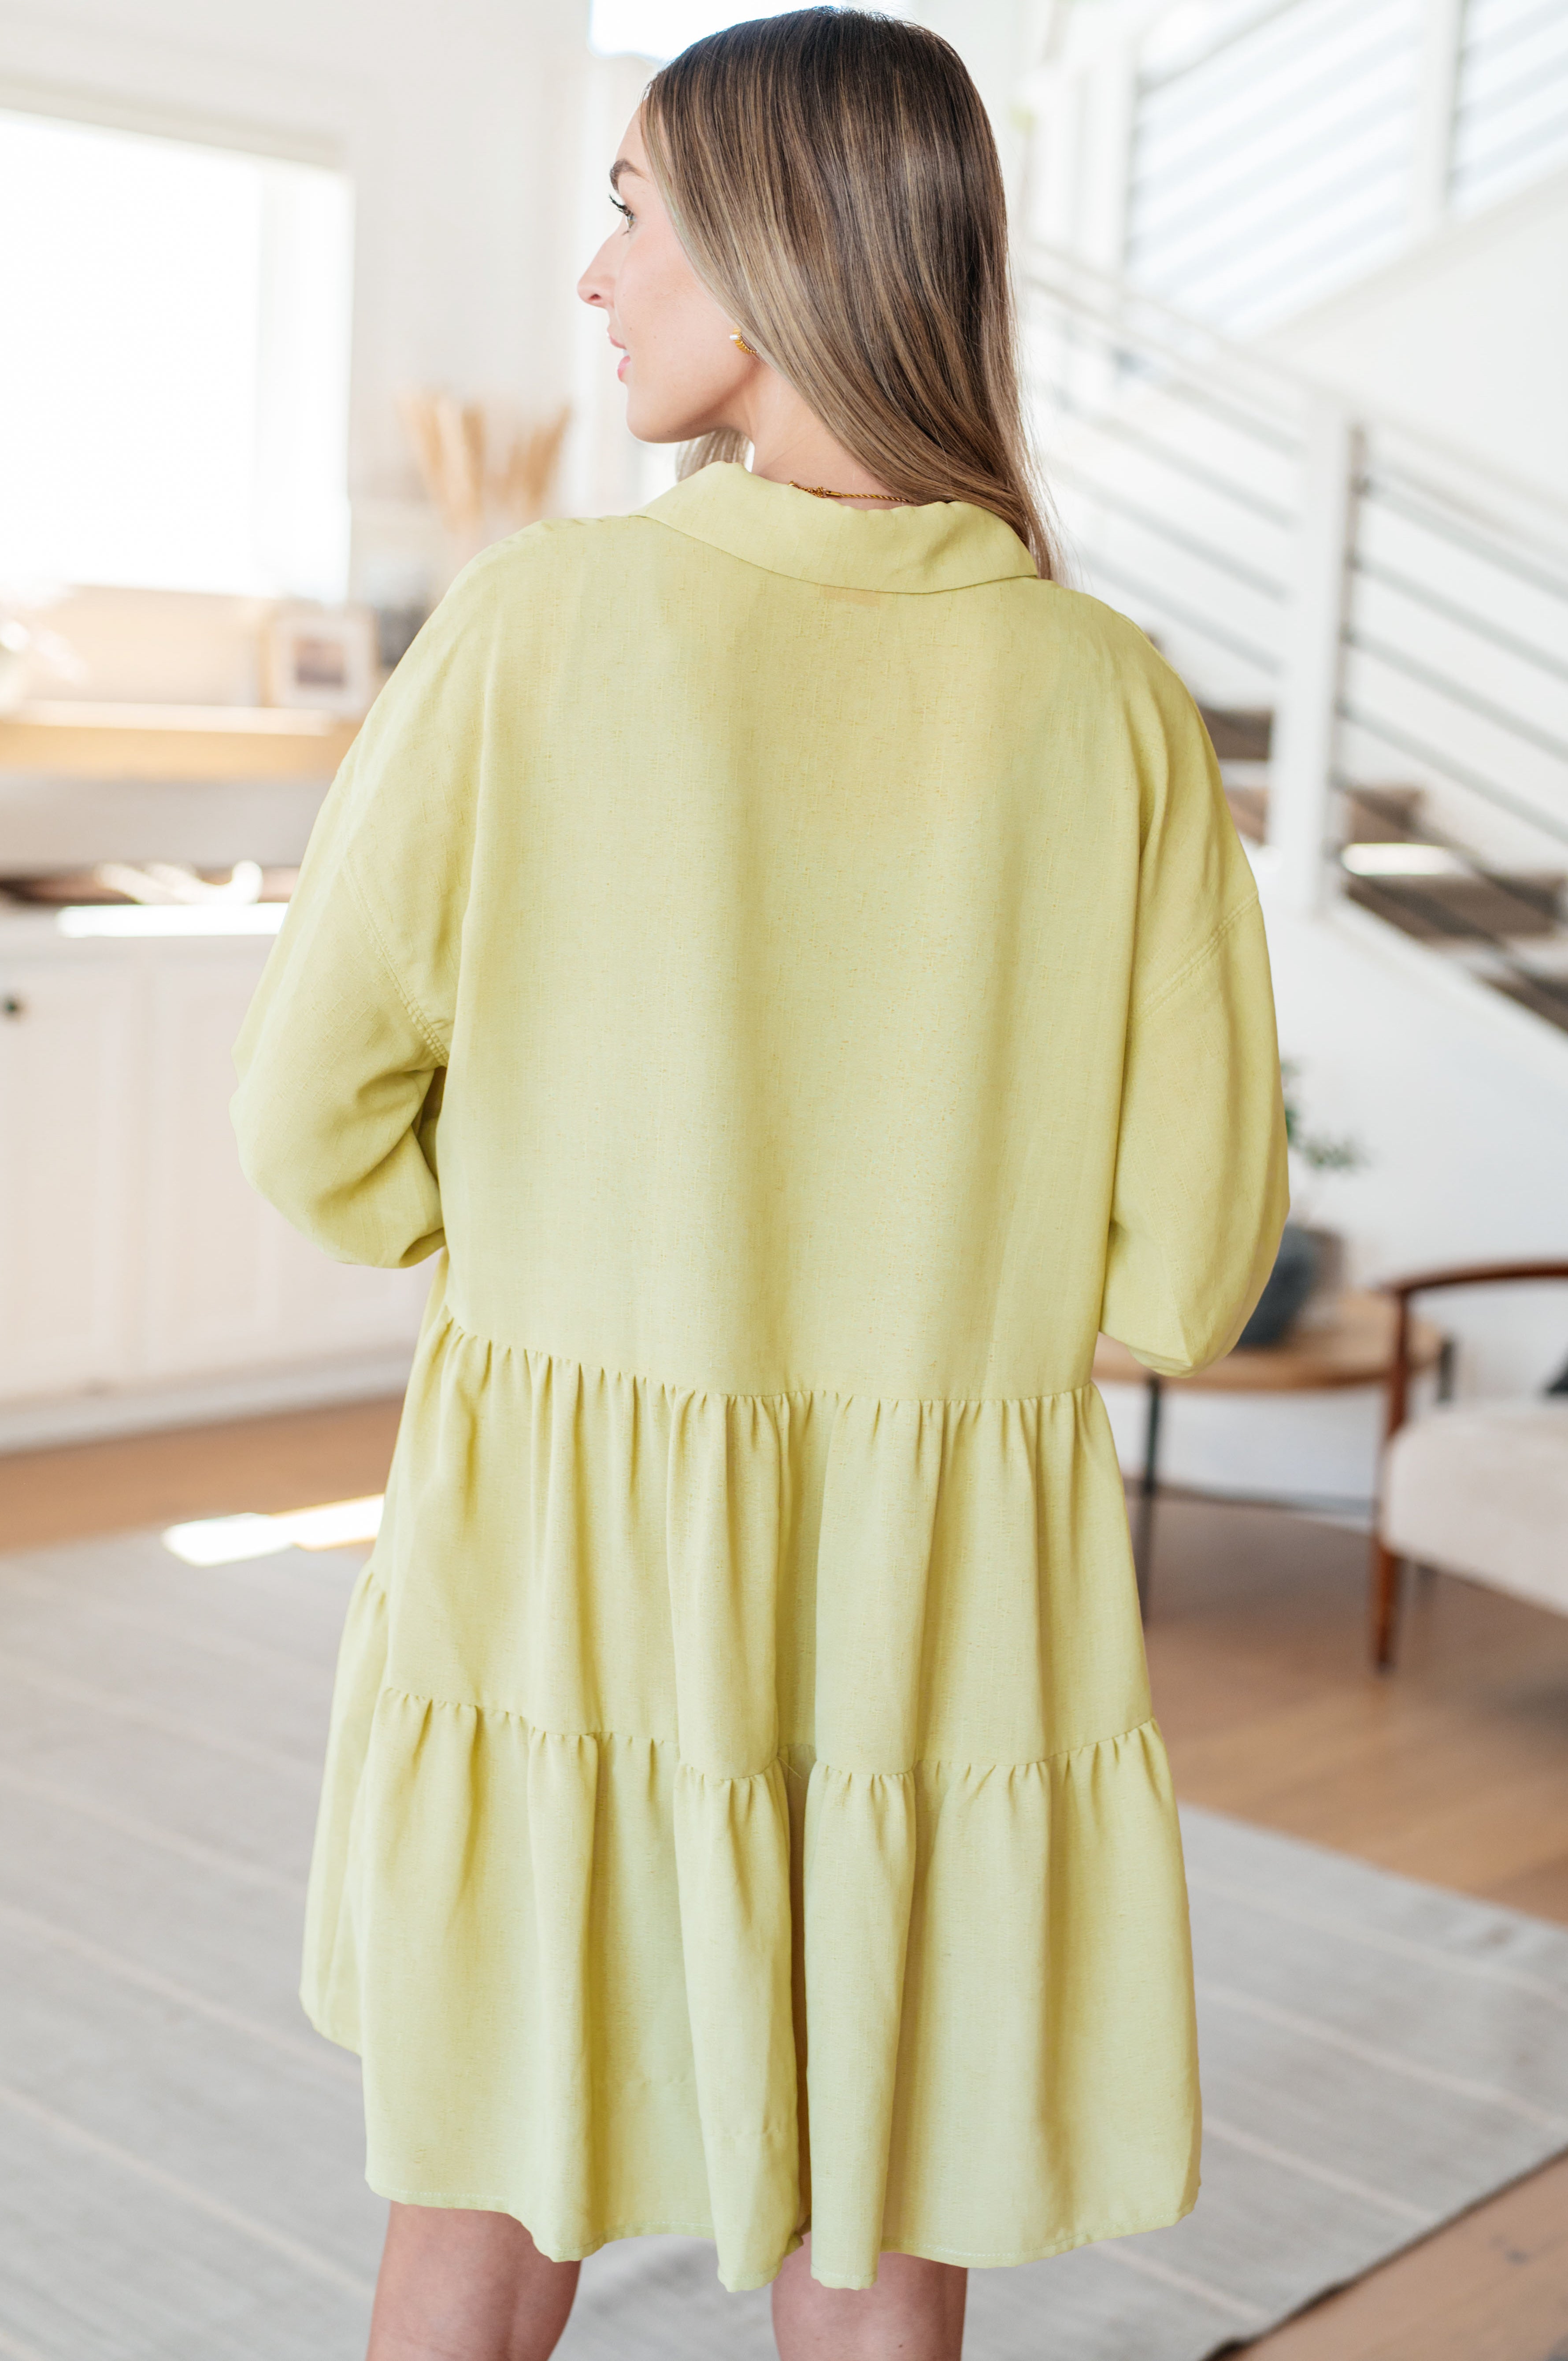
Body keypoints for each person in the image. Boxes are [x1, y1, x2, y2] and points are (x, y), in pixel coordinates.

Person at [230, 11, 1288, 2358]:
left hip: (571, 1565)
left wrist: (554, 1239)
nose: (594, 275)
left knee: (482, 2214)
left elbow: (306, 1120)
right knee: (877, 2230)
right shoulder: (1112, 698)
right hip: (935, 1597)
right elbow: (1197, 1262)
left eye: (631, 211)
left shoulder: (535, 627)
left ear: (776, 248)